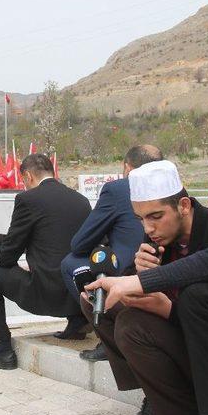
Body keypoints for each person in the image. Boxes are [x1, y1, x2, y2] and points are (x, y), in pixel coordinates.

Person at [86, 156, 208, 415]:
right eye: (140, 219)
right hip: (188, 347)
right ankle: (156, 395)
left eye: (155, 216)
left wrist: (170, 309)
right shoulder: (158, 235)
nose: (149, 228)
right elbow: (141, 286)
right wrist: (138, 272)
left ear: (184, 206)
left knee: (133, 326)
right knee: (97, 301)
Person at [0, 154, 91, 370]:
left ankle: (2, 349)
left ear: (27, 176)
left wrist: (17, 265)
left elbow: (8, 252)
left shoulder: (28, 200)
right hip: (76, 295)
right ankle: (77, 323)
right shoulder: (81, 200)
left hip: (45, 294)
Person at [57, 145, 162, 351]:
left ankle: (105, 334)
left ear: (127, 168)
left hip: (130, 271)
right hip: (167, 266)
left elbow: (79, 243)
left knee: (70, 262)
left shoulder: (119, 189)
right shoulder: (172, 189)